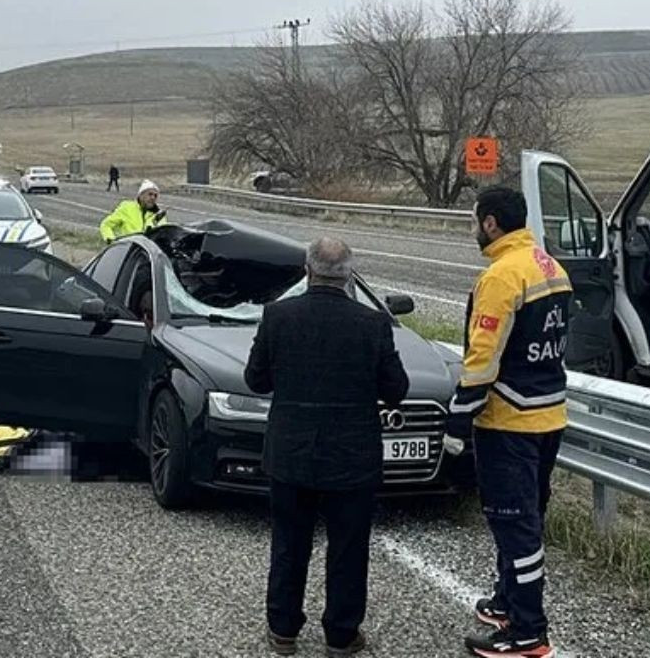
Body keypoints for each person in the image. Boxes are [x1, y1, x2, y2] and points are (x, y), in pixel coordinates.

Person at [244, 238, 409, 657]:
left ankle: (283, 630)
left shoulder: (278, 316)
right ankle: (341, 634)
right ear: (349, 274)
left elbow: (256, 380)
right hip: (352, 456)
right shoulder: (372, 324)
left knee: (289, 542)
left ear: (308, 270)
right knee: (349, 549)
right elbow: (396, 390)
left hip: (291, 450)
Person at [445, 185, 570, 658]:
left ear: (492, 223)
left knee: (514, 525)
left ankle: (526, 631)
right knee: (527, 517)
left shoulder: (501, 276)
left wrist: (458, 420)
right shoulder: (550, 266)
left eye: (475, 220)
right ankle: (505, 601)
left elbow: (483, 358)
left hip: (509, 421)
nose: (473, 229)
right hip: (549, 414)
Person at [99, 180, 166, 243]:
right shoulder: (127, 207)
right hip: (127, 250)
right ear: (141, 195)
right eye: (150, 194)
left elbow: (165, 234)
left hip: (147, 252)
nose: (153, 198)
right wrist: (111, 240)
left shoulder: (159, 215)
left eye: (155, 195)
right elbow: (106, 225)